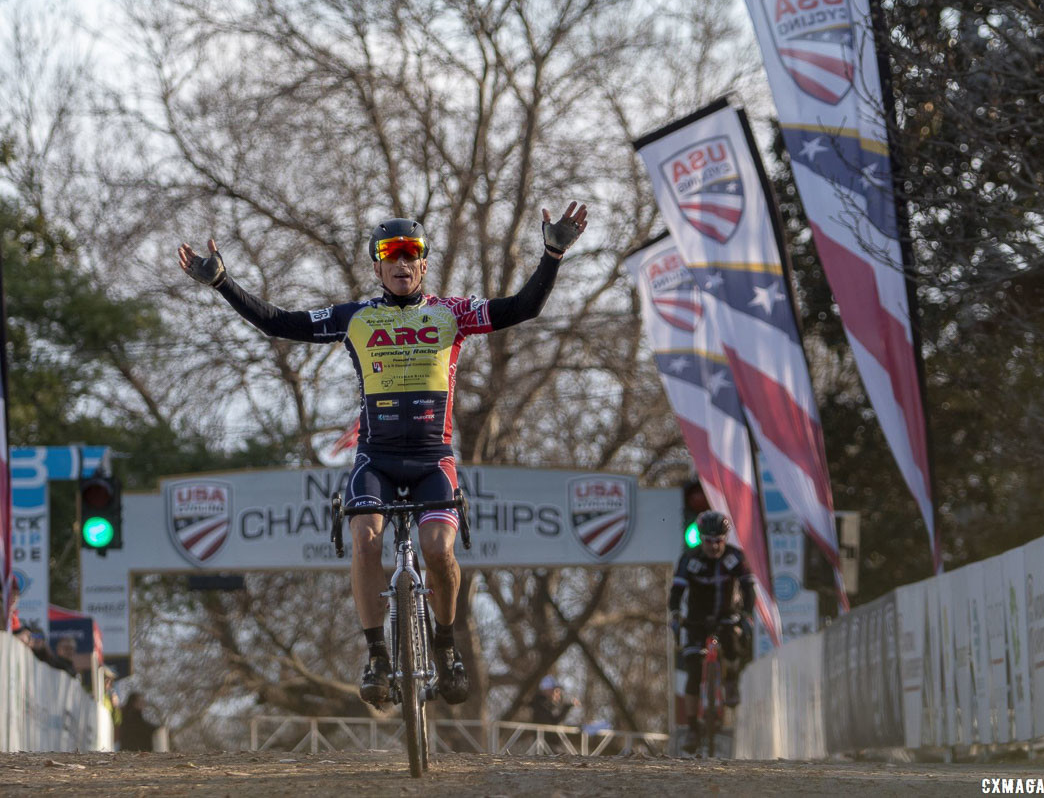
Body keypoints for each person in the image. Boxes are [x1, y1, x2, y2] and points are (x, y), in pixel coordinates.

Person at [179, 204, 588, 707]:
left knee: (438, 551)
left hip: (432, 459)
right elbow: (279, 323)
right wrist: (224, 283)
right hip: (374, 460)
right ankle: (376, 655)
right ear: (376, 266)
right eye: (388, 255)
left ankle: (444, 646)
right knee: (366, 540)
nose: (400, 263)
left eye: (410, 254)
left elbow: (523, 306)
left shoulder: (450, 314)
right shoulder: (356, 318)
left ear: (423, 264)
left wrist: (552, 254)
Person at [668, 510, 755, 754]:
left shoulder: (736, 557)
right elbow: (676, 593)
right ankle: (693, 727)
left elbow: (749, 589)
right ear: (701, 539)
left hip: (727, 614)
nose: (714, 546)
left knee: (733, 641)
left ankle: (730, 681)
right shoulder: (689, 559)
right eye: (708, 541)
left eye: (719, 541)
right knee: (693, 670)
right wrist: (675, 616)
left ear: (726, 539)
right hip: (696, 618)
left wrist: (747, 615)